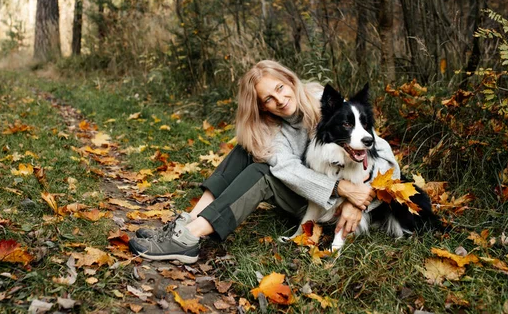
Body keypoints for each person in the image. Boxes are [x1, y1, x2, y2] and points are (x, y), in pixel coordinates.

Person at [128, 60, 378, 264]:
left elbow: (381, 150)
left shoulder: (324, 100)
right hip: (307, 199)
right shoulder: (271, 130)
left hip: (334, 199)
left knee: (262, 173)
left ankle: (188, 238)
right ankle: (188, 223)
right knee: (246, 150)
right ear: (263, 108)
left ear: (290, 81)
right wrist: (339, 189)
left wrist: (357, 201)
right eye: (268, 99)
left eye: (280, 88)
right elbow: (288, 169)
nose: (279, 100)